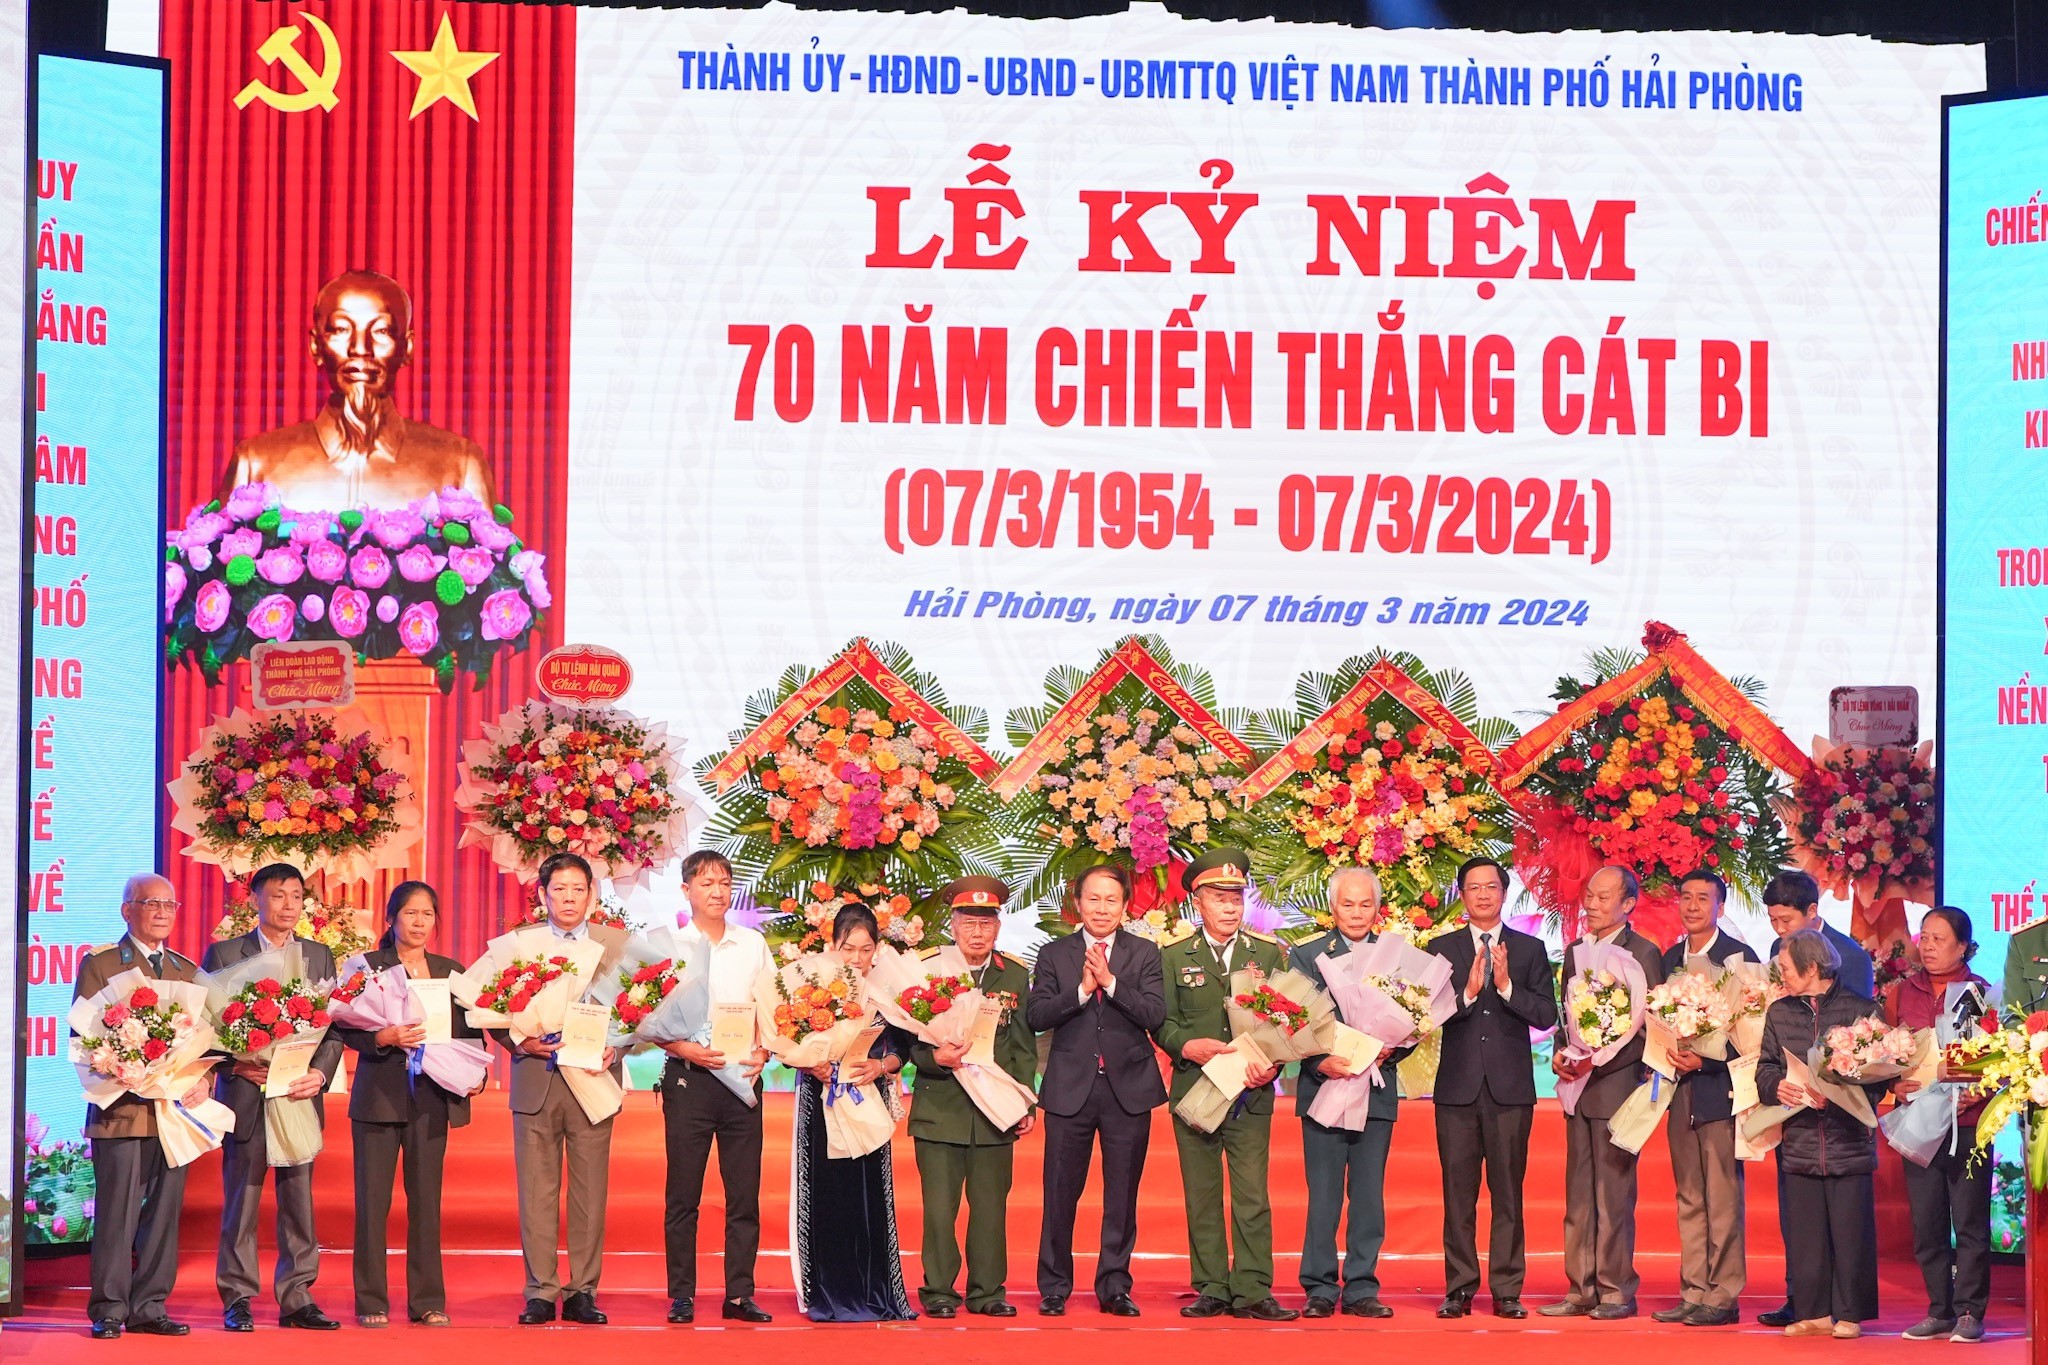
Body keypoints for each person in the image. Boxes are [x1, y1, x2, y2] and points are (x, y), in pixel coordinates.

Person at [1156, 848, 1299, 1322]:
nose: (1230, 907)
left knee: (1252, 1196)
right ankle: (1212, 1286)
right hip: (1195, 1090)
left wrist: (1274, 1065)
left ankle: (1254, 1288)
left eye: (1236, 898)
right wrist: (1185, 1045)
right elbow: (1161, 1021)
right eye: (1219, 898)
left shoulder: (1267, 953)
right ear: (1197, 902)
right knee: (1201, 1194)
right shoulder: (1173, 956)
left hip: (1250, 1093)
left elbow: (1287, 1019)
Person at [218, 269, 496, 510]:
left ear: (407, 348)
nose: (360, 349)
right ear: (316, 346)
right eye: (341, 330)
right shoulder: (256, 463)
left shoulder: (459, 464)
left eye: (381, 331)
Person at [203, 861, 345, 1332]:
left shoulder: (319, 955)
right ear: (255, 900)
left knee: (298, 1200)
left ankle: (298, 1296)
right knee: (241, 1201)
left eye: (297, 896)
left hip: (297, 1094)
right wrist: (234, 1064)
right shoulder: (226, 953)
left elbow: (334, 1029)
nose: (289, 905)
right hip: (246, 1094)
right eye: (279, 895)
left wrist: (319, 1075)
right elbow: (202, 1028)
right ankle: (238, 1296)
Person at [336, 881, 484, 1327]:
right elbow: (342, 1024)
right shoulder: (367, 967)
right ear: (391, 918)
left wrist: (473, 1074)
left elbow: (470, 1030)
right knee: (372, 1203)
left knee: (426, 1203)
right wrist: (381, 1037)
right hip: (378, 1098)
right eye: (410, 913)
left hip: (431, 1099)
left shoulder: (450, 971)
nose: (420, 922)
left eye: (428, 914)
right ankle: (371, 1301)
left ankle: (427, 1301)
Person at [74, 874, 212, 1340]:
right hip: (123, 1109)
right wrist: (126, 1065)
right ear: (127, 910)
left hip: (173, 1114)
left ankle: (150, 1305)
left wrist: (204, 1080)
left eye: (170, 905)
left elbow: (204, 1044)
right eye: (151, 903)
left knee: (164, 1213)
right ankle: (110, 1308)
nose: (162, 912)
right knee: (118, 1212)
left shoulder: (186, 969)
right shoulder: (101, 964)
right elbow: (86, 1037)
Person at [1028, 862, 1168, 1317]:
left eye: (1112, 899)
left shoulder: (1144, 953)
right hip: (1070, 1089)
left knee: (1122, 1195)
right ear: (1077, 903)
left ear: (1125, 906)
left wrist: (1110, 983)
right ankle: (1054, 1287)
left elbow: (1154, 1014)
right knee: (1059, 1192)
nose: (1102, 908)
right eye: (1093, 898)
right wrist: (1082, 991)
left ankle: (1114, 1286)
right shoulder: (1054, 954)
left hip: (1128, 1090)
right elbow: (1036, 1015)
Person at [497, 852, 627, 1326]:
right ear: (542, 894)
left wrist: (619, 1044)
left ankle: (583, 1291)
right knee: (536, 1191)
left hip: (593, 1079)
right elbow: (493, 1003)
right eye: (559, 889)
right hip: (538, 1077)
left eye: (578, 889)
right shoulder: (521, 944)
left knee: (590, 1193)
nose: (569, 898)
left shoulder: (616, 945)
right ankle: (540, 1290)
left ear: (591, 894)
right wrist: (520, 1041)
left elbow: (639, 1007)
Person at [1428, 856, 1557, 1320]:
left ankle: (1507, 1289)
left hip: (1510, 1091)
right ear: (1461, 895)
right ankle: (1459, 1288)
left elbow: (1546, 1014)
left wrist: (1505, 987)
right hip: (1457, 1090)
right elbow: (1427, 1014)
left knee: (1508, 1194)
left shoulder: (1529, 949)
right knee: (1457, 1195)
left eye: (1491, 887)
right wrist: (1466, 993)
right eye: (1473, 887)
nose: (1482, 894)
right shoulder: (1440, 948)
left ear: (1504, 893)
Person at [908, 876, 1039, 1318]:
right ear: (953, 924)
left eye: (986, 923)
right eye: (968, 923)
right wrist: (934, 1058)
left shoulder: (1014, 973)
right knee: (938, 1210)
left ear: (998, 927)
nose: (977, 933)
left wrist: (1025, 1101)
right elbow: (907, 1042)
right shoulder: (928, 969)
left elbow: (1022, 1047)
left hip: (994, 1111)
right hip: (940, 1107)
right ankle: (939, 1291)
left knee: (990, 1208)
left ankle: (987, 1292)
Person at [1542, 865, 1666, 1321]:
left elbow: (1646, 1027)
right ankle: (1580, 1288)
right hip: (1578, 1088)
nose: (1591, 905)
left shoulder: (1644, 952)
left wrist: (1597, 1059)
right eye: (1589, 896)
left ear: (1628, 904)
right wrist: (1563, 1051)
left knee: (1613, 1195)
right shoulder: (1576, 951)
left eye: (1603, 897)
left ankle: (1615, 1291)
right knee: (1577, 1193)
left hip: (1617, 1087)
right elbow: (1566, 1015)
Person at [1288, 867, 1413, 1319]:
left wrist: (1392, 1048)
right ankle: (1319, 1286)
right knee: (1323, 1195)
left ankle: (1361, 1286)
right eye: (1348, 903)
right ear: (1333, 907)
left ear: (1378, 908)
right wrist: (1317, 1061)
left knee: (1368, 1196)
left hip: (1374, 1090)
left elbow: (1415, 1018)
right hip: (1325, 1087)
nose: (1357, 913)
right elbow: (1290, 1019)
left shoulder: (1397, 958)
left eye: (1365, 904)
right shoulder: (1306, 956)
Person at [658, 849, 774, 1325]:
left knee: (744, 1195)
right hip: (690, 1080)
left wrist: (764, 1050)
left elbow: (772, 1008)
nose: (717, 891)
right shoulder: (669, 945)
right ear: (686, 890)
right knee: (683, 1195)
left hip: (743, 1082)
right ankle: (681, 1294)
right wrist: (682, 1047)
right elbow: (644, 1015)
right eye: (706, 883)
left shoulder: (752, 944)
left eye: (724, 883)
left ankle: (740, 1294)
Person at [1757, 868, 1874, 1329]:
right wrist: (1776, 1086)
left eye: (1787, 969)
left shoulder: (1859, 1004)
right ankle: (1811, 1310)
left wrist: (1841, 1090)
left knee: (1849, 1230)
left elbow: (1876, 1069)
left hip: (1845, 1136)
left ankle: (1849, 1312)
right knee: (1804, 1230)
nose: (1780, 973)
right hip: (1800, 1133)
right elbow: (1766, 1065)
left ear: (1811, 969)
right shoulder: (1780, 1010)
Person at [790, 904, 918, 1322]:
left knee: (868, 1193)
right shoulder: (813, 988)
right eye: (849, 949)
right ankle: (826, 1291)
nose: (857, 958)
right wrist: (813, 1063)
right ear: (833, 946)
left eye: (866, 949)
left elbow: (903, 1048)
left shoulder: (885, 991)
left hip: (868, 1097)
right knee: (826, 1190)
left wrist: (881, 1066)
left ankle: (873, 1288)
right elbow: (788, 1039)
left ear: (876, 949)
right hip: (821, 1097)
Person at [1651, 870, 1758, 1327]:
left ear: (1720, 906)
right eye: (1686, 897)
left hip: (1719, 1092)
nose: (1692, 906)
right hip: (1679, 1092)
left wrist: (1708, 1061)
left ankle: (1724, 1293)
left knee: (1722, 1196)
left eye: (1703, 898)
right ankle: (1693, 1290)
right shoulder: (1670, 959)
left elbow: (1753, 1034)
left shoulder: (1739, 959)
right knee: (1689, 1195)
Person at [1888, 907, 1993, 1344]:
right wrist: (1893, 1083)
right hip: (1918, 1120)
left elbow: (2000, 1058)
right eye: (1924, 937)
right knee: (1927, 1222)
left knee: (1969, 1221)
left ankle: (1970, 1311)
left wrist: (1980, 1092)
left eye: (1939, 939)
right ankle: (1939, 1310)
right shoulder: (1901, 992)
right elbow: (1882, 1052)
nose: (1928, 947)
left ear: (1963, 946)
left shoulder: (1981, 993)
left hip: (1967, 1122)